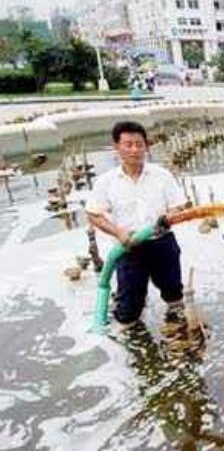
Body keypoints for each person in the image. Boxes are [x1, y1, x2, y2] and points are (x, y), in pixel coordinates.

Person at [86, 121, 188, 329]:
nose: (135, 149)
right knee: (128, 311)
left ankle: (178, 331)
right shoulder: (106, 182)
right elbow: (93, 214)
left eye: (139, 144)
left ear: (146, 146)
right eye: (128, 144)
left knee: (174, 294)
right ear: (117, 147)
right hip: (128, 247)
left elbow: (179, 206)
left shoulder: (162, 176)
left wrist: (168, 218)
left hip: (162, 243)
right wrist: (118, 232)